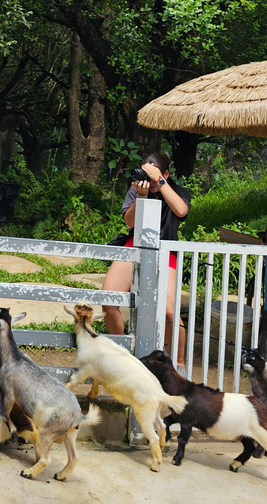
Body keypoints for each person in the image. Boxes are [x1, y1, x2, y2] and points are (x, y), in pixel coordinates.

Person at [102, 153, 191, 372]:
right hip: (136, 243)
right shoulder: (137, 188)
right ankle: (122, 355)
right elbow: (130, 222)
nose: (148, 180)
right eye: (146, 173)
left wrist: (160, 183)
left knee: (170, 312)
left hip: (165, 249)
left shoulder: (176, 191)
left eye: (153, 174)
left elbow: (181, 210)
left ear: (166, 174)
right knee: (109, 300)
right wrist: (141, 196)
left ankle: (178, 364)